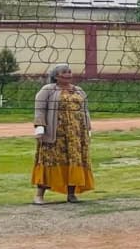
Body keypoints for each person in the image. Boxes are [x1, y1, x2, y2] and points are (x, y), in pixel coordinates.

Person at [32, 64, 94, 204]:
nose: (68, 74)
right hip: (56, 134)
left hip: (76, 135)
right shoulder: (47, 90)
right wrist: (40, 126)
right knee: (50, 161)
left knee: (74, 161)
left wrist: (88, 128)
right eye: (64, 72)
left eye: (69, 72)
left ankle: (71, 194)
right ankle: (39, 195)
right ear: (56, 76)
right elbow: (39, 109)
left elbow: (85, 110)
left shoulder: (78, 91)